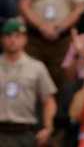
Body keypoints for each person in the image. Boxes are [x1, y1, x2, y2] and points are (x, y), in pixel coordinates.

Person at [0, 19, 56, 147]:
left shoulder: (36, 67)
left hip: (25, 131)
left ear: (25, 39)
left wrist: (48, 128)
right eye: (9, 36)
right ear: (2, 39)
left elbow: (49, 100)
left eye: (18, 36)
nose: (13, 40)